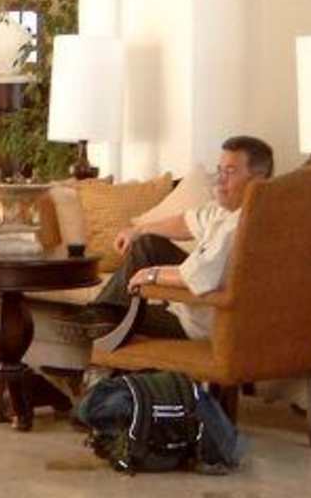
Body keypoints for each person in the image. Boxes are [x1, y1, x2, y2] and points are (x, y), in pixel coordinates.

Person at [90, 135, 275, 351]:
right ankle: (99, 318)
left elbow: (193, 277)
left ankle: (96, 327)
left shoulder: (238, 227)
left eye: (230, 172)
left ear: (257, 181)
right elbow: (186, 222)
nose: (220, 179)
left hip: (203, 323)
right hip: (196, 303)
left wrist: (150, 275)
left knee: (117, 316)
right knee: (148, 244)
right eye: (220, 170)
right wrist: (139, 230)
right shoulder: (229, 210)